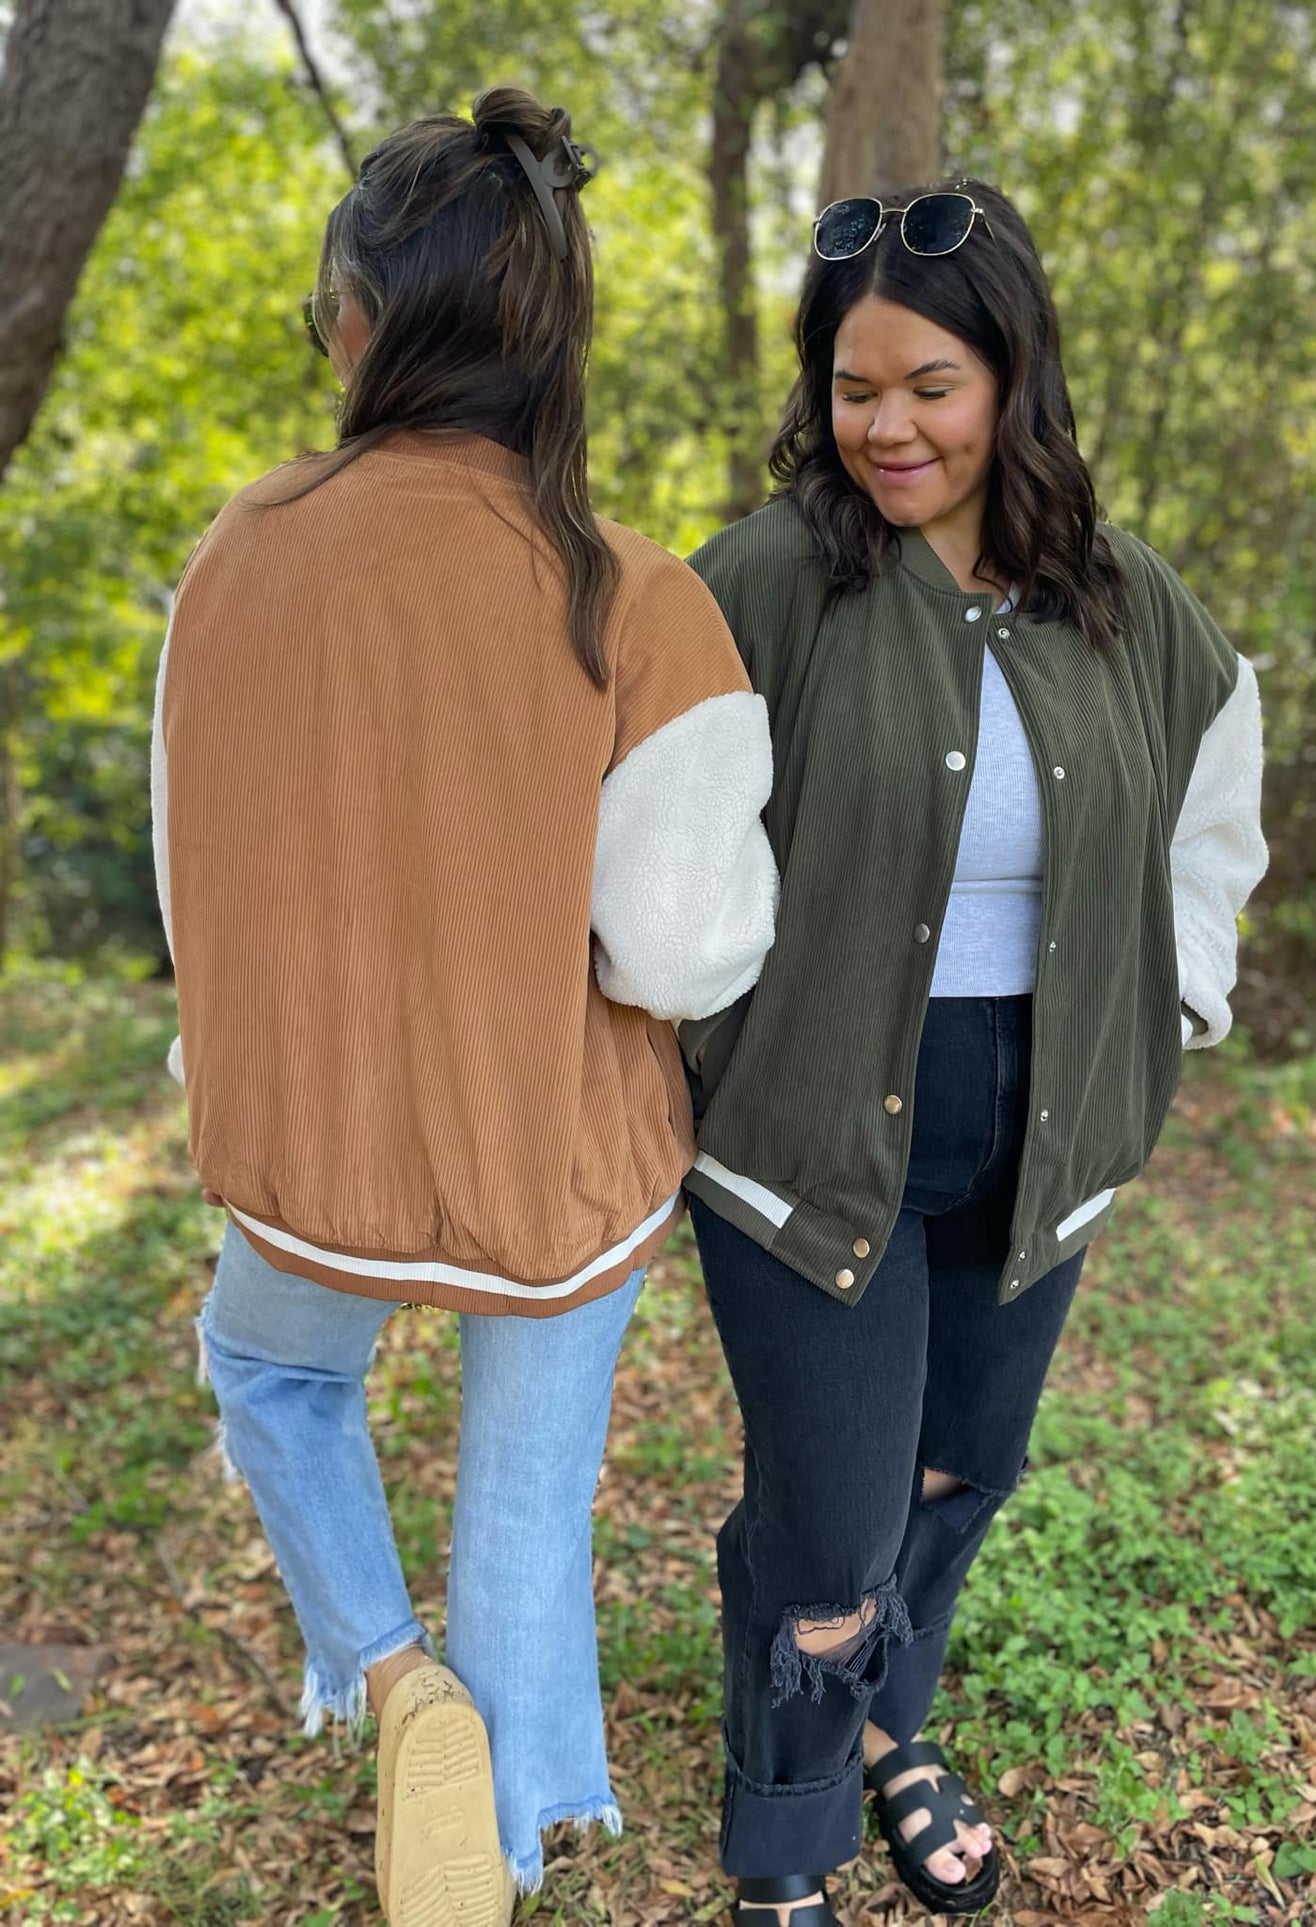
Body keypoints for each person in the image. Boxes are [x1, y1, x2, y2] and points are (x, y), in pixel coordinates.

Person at [150, 87, 777, 1927]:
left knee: (271, 1368)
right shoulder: (635, 601)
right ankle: (514, 1829)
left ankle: (384, 1666)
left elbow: (197, 869)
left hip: (306, 1137)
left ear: (366, 319)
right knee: (524, 1501)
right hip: (549, 1164)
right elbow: (678, 950)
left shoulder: (234, 552)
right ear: (552, 339)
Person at [679, 178, 1268, 1925]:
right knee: (828, 1529)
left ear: (1011, 376)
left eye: (928, 384)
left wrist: (1172, 1006)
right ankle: (785, 1849)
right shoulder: (767, 580)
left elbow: (1210, 804)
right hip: (808, 1143)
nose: (887, 426)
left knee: (959, 1472)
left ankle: (887, 1733)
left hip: (1045, 1136)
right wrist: (703, 1039)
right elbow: (656, 837)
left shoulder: (1112, 593)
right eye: (856, 386)